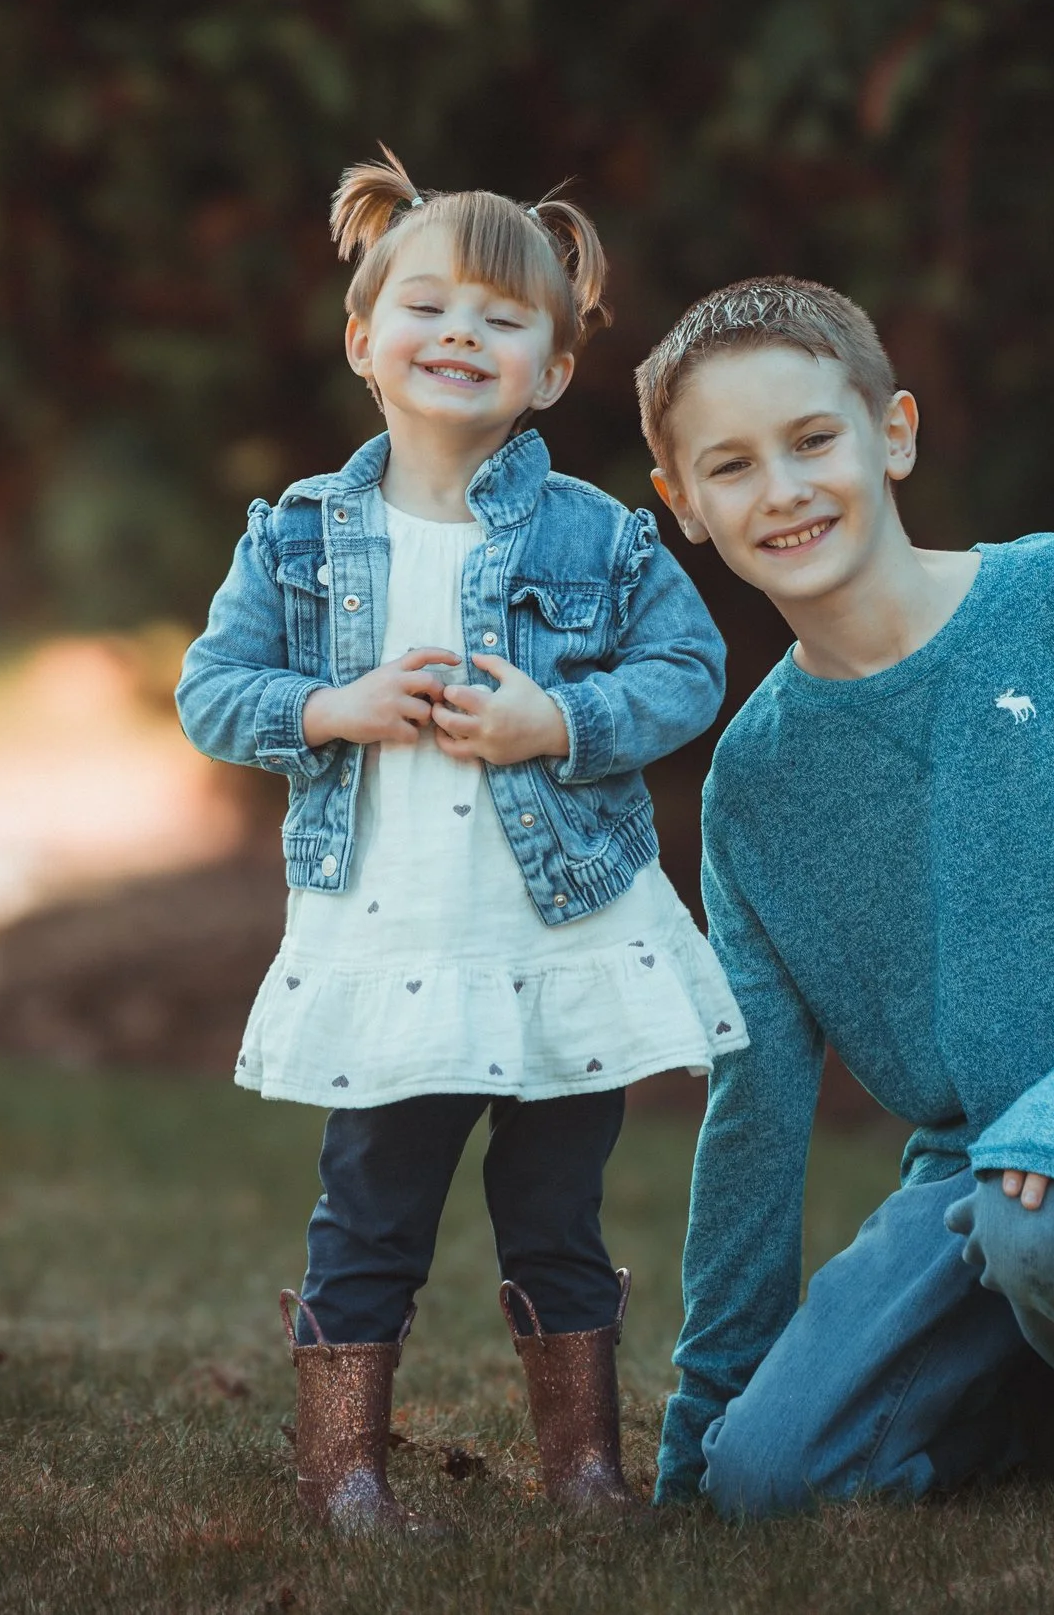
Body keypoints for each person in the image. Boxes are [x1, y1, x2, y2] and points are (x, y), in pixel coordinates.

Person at [631, 277, 1054, 1516]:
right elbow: (757, 1099)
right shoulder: (753, 781)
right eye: (729, 467)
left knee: (1046, 1234)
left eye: (811, 440)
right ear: (683, 507)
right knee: (766, 1479)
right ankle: (1050, 1381)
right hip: (974, 1171)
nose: (782, 490)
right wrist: (704, 1419)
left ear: (891, 433)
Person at [175, 150, 745, 1533]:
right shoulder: (303, 532)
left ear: (551, 368)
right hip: (395, 934)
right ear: (365, 340)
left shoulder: (598, 535)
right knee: (372, 1205)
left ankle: (588, 1467)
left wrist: (562, 718)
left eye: (503, 320)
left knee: (559, 1205)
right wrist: (334, 704)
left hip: (556, 931)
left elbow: (691, 664)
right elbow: (210, 690)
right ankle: (345, 1472)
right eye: (428, 307)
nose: (462, 336)